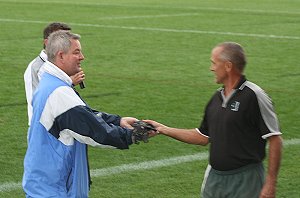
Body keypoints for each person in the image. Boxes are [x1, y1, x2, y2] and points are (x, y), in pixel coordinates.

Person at [146, 42, 282, 198]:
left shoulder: (254, 95)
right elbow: (202, 137)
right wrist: (162, 129)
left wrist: (271, 183)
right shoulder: (216, 98)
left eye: (214, 63)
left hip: (246, 180)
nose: (211, 68)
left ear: (228, 66)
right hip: (215, 180)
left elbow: (275, 138)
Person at [22, 30, 140, 197]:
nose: (82, 57)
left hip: (45, 185)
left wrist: (118, 121)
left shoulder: (51, 83)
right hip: (55, 189)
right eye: (76, 52)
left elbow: (83, 115)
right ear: (61, 56)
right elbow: (96, 133)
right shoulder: (59, 92)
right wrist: (133, 135)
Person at [24, 22, 85, 126]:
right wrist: (70, 82)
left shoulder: (60, 63)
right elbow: (39, 100)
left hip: (63, 121)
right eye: (62, 38)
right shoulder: (37, 68)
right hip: (45, 126)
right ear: (47, 42)